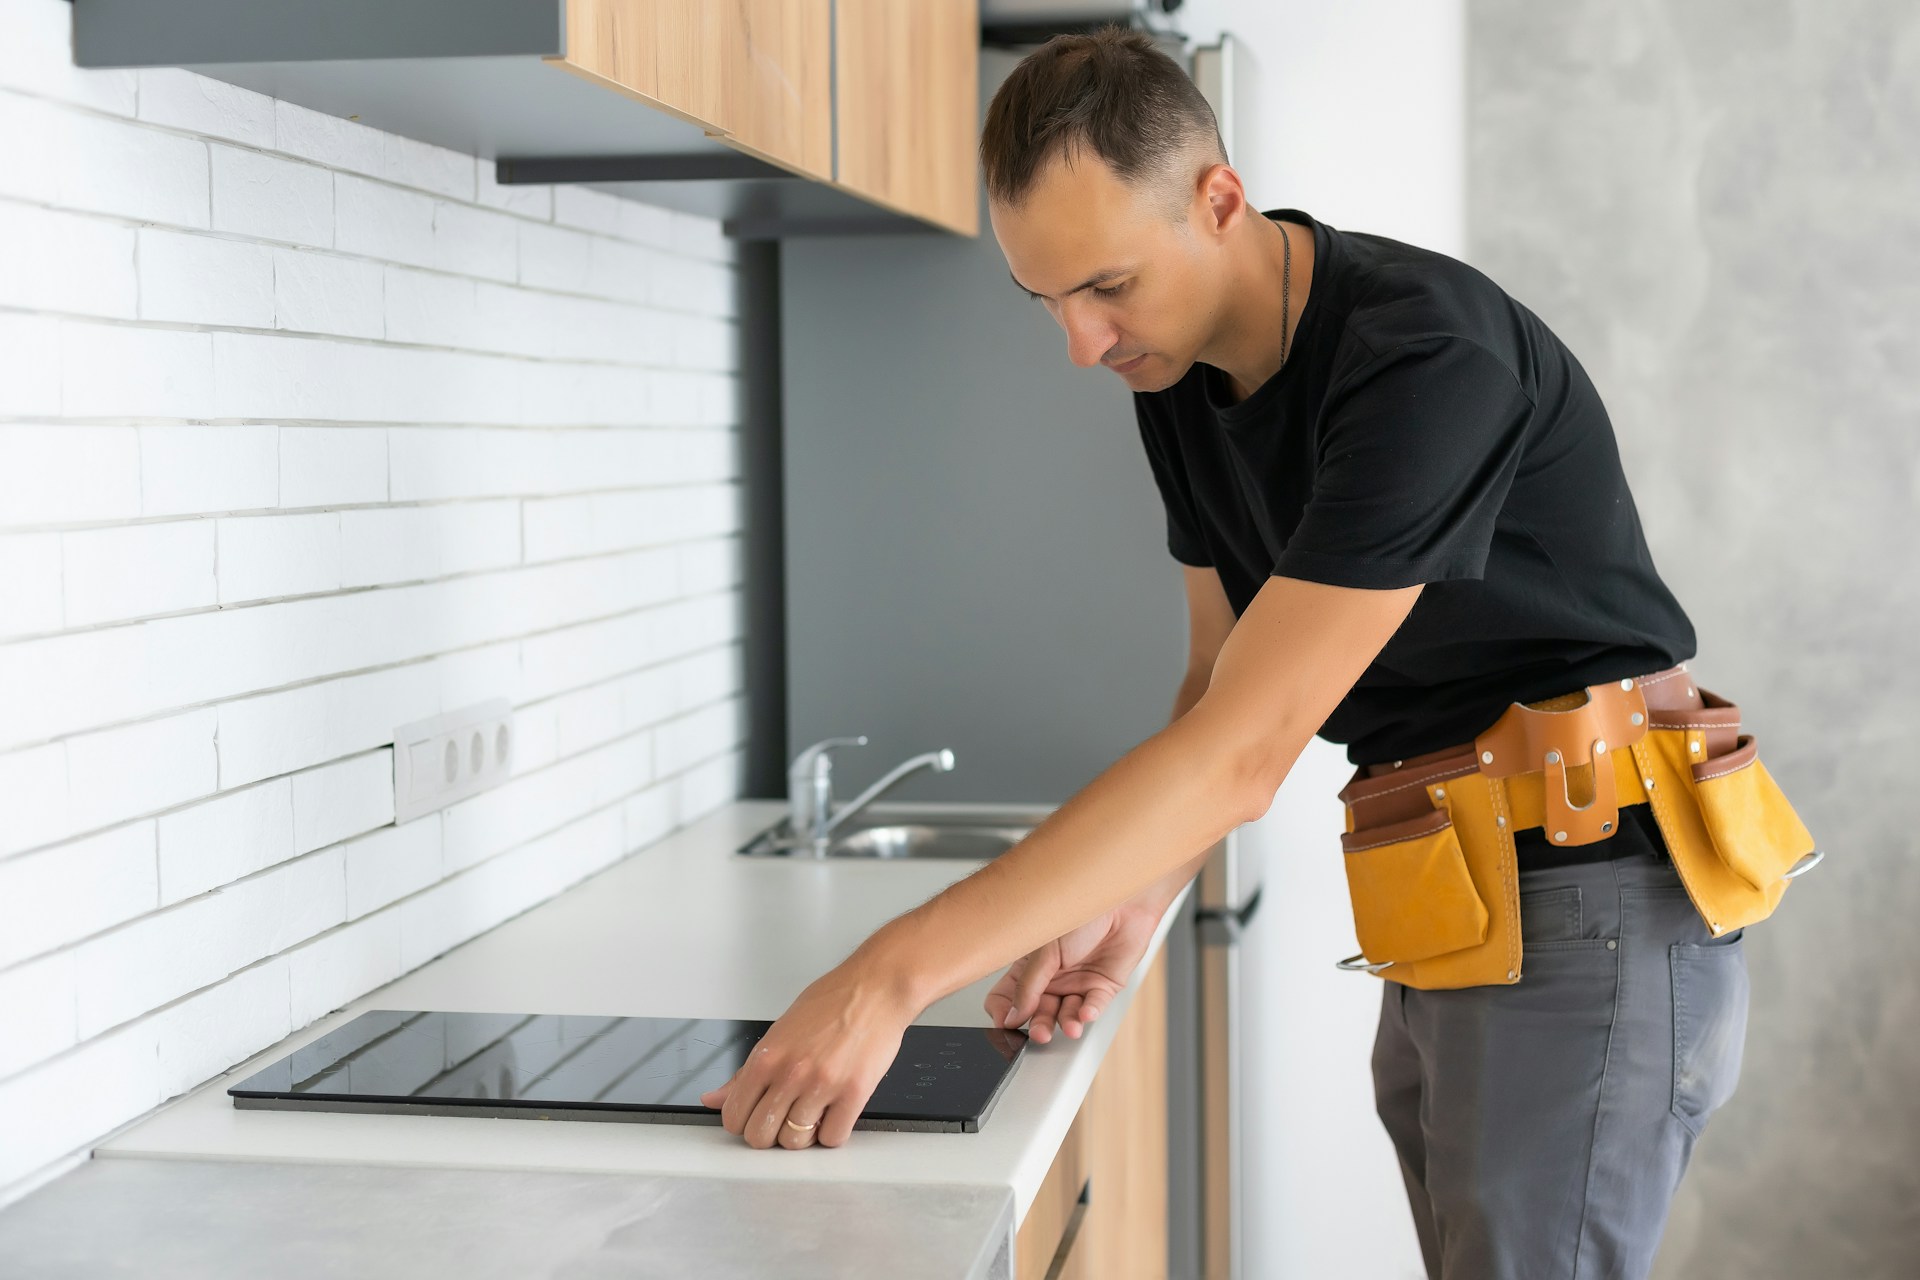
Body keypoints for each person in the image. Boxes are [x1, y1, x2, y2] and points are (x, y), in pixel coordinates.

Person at [701, 26, 1761, 1280]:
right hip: (1458, 890)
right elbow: (1217, 680)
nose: (1081, 346)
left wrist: (887, 977)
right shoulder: (1183, 382)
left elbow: (1248, 752)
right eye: (1047, 300)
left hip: (1591, 886)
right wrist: (1135, 894)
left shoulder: (1424, 359)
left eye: (1106, 287)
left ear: (1220, 200)